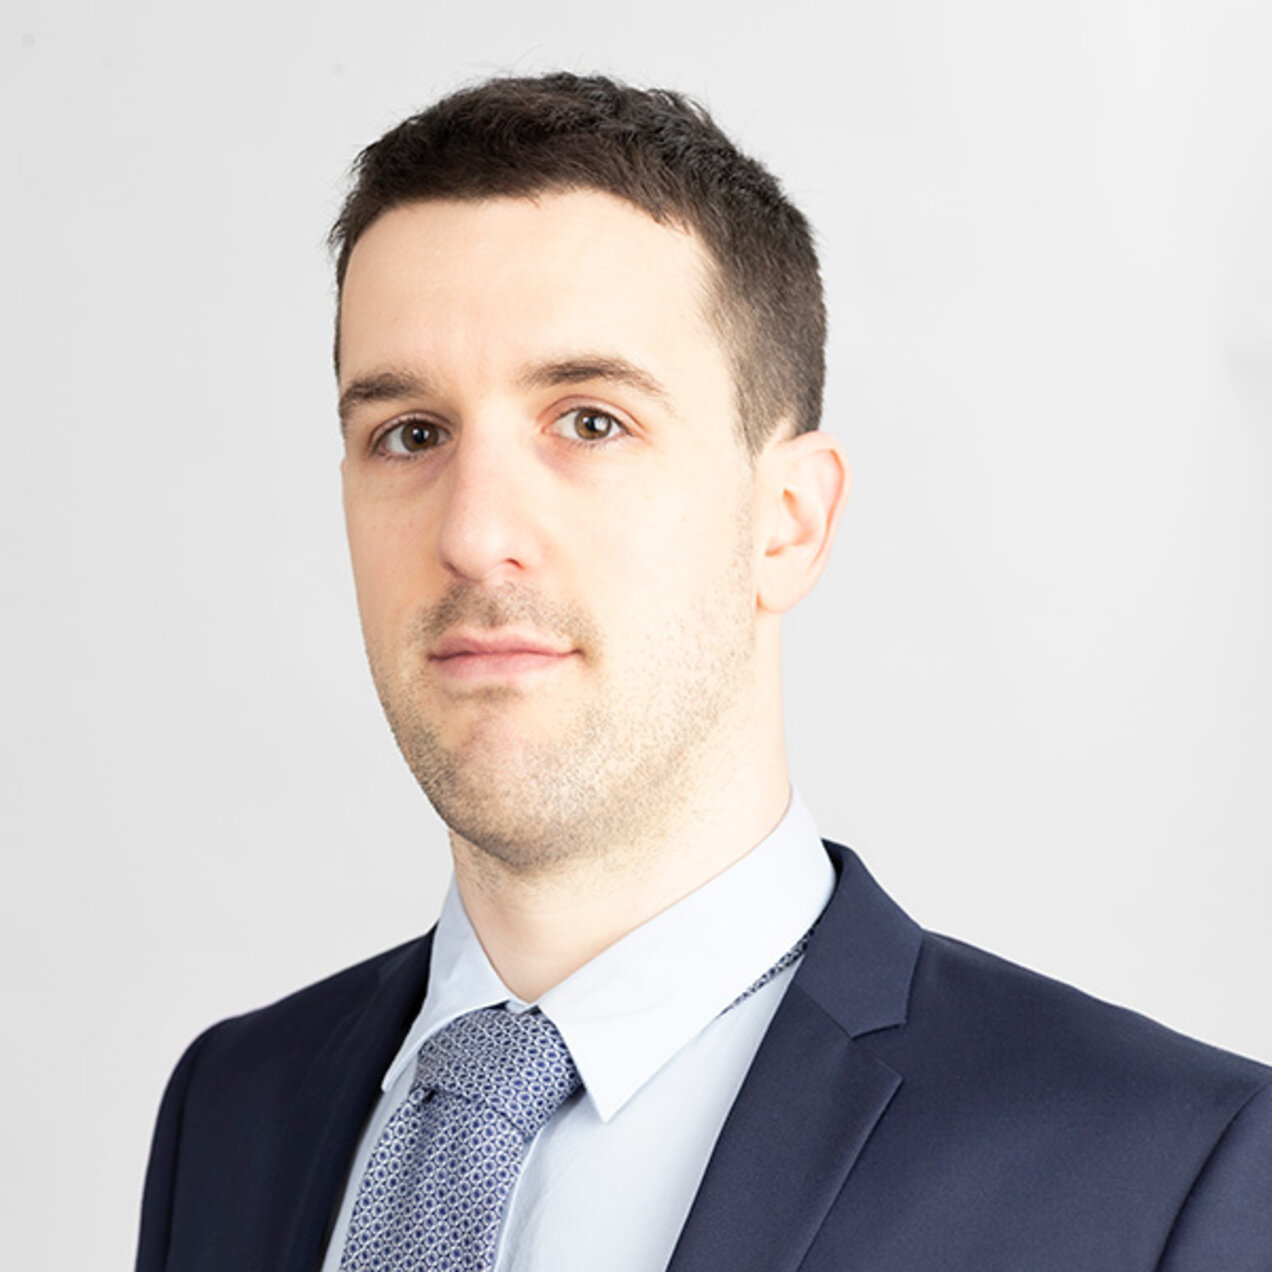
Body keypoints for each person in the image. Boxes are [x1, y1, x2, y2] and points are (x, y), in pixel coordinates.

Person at [135, 73, 1272, 1272]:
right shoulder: (232, 1109)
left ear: (788, 522)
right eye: (408, 434)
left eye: (590, 421)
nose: (472, 532)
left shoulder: (1160, 1172)